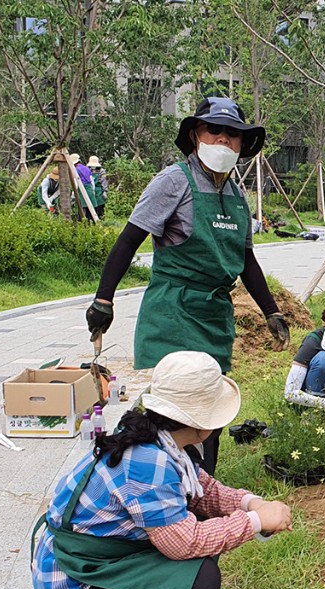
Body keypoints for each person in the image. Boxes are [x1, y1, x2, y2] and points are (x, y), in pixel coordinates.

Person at [30, 351, 293, 589]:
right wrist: (255, 521)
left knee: (198, 537)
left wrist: (248, 502)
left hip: (79, 567)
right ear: (201, 425)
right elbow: (185, 543)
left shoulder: (155, 437)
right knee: (200, 577)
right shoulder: (147, 461)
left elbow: (202, 491)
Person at [85, 97, 291, 473]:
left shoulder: (236, 193)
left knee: (210, 407)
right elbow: (129, 240)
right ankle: (153, 483)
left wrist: (271, 311)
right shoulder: (174, 180)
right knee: (179, 406)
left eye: (233, 135)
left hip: (214, 312)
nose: (224, 141)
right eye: (215, 131)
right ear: (196, 135)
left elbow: (246, 260)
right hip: (174, 307)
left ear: (243, 144)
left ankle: (203, 486)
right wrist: (104, 299)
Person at [88, 155, 108, 220]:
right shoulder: (88, 170)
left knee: (100, 208)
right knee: (91, 207)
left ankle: (101, 220)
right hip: (90, 191)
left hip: (99, 191)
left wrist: (105, 191)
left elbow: (104, 181)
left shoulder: (101, 171)